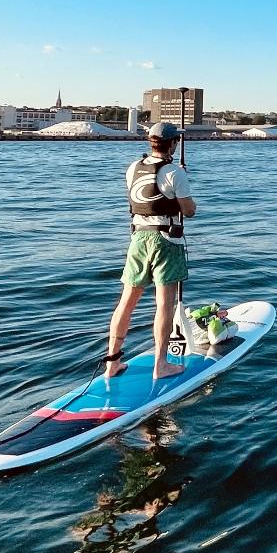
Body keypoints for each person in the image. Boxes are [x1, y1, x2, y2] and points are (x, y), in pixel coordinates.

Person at [104, 121, 197, 382]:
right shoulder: (174, 173)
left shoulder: (133, 167)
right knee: (164, 304)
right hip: (165, 241)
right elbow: (188, 211)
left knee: (127, 301)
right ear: (173, 144)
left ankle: (112, 362)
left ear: (151, 142)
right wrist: (181, 180)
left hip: (137, 239)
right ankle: (161, 364)